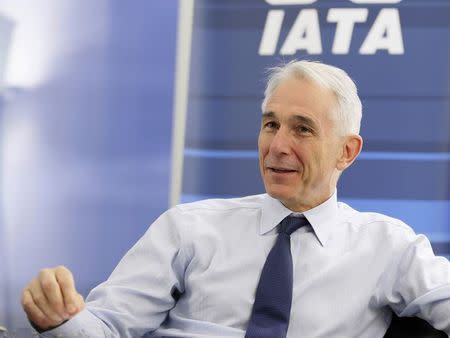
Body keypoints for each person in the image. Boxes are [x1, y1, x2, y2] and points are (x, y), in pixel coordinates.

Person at [21, 60, 450, 337]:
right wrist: (62, 319)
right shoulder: (188, 228)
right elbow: (108, 326)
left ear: (347, 151)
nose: (277, 145)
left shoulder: (388, 246)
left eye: (302, 129)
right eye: (270, 124)